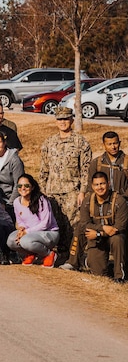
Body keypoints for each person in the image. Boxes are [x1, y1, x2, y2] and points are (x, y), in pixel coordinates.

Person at [39, 106, 92, 259]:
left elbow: (85, 170)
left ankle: (74, 257)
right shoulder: (49, 142)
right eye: (60, 119)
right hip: (52, 191)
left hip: (72, 191)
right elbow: (44, 169)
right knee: (55, 224)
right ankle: (58, 255)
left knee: (73, 225)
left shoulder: (81, 142)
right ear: (56, 121)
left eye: (66, 119)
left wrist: (82, 191)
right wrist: (42, 191)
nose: (63, 122)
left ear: (72, 120)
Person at [67, 171, 127, 279]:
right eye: (96, 185)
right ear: (92, 186)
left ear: (108, 184)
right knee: (98, 273)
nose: (100, 187)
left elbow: (119, 227)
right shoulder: (87, 201)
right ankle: (73, 263)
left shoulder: (119, 201)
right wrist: (102, 229)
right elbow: (84, 224)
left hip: (115, 238)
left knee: (117, 239)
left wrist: (99, 233)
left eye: (102, 184)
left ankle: (120, 275)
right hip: (97, 238)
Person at [7, 174, 59, 266]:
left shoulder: (41, 201)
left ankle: (48, 254)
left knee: (25, 241)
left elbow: (46, 223)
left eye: (26, 186)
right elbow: (20, 221)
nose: (23, 188)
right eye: (20, 186)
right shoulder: (16, 202)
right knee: (11, 241)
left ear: (32, 187)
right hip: (29, 233)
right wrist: (21, 230)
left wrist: (26, 232)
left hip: (48, 233)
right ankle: (31, 252)